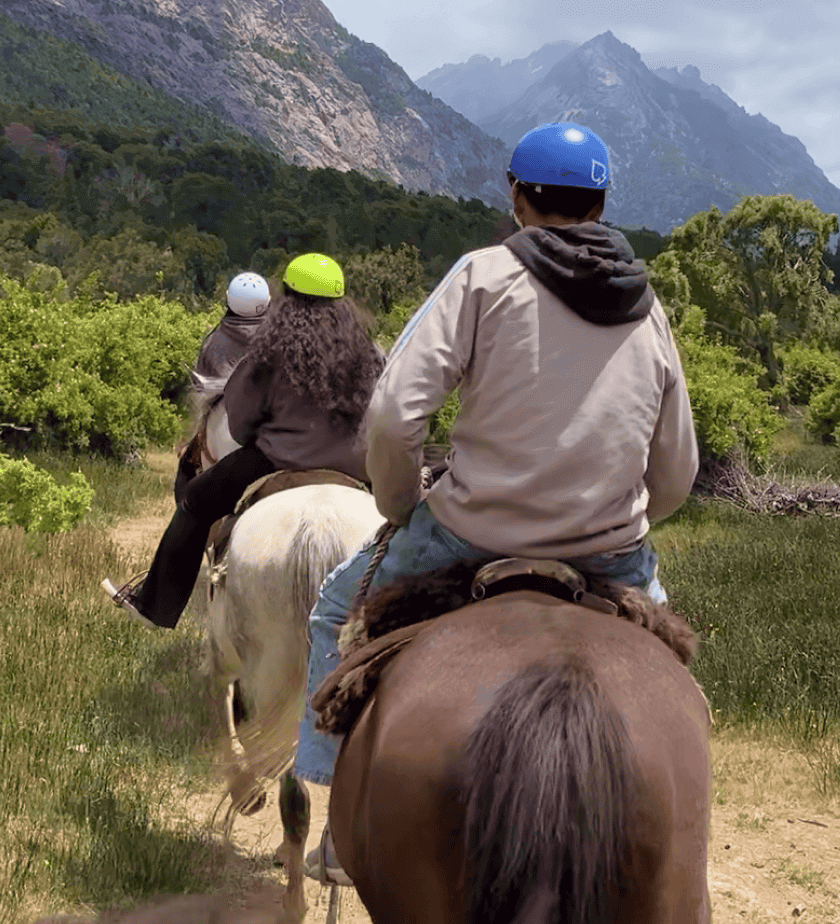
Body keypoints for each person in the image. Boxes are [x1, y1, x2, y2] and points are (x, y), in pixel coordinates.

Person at [294, 122, 699, 885]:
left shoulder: (483, 275)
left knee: (333, 608)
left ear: (516, 194)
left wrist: (400, 500)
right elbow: (677, 469)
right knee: (678, 683)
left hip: (468, 536)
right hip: (610, 553)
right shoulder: (648, 308)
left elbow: (393, 415)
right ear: (602, 202)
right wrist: (624, 518)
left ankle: (333, 819)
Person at [103, 253, 385, 630]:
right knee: (409, 517)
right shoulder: (371, 354)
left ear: (286, 297)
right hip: (359, 465)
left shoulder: (267, 352)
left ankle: (157, 606)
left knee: (194, 503)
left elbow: (237, 422)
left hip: (275, 461)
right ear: (341, 303)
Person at [173, 272, 272, 501]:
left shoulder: (214, 341)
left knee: (187, 472)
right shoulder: (279, 338)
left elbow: (201, 390)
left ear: (229, 300)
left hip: (223, 417)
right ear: (267, 303)